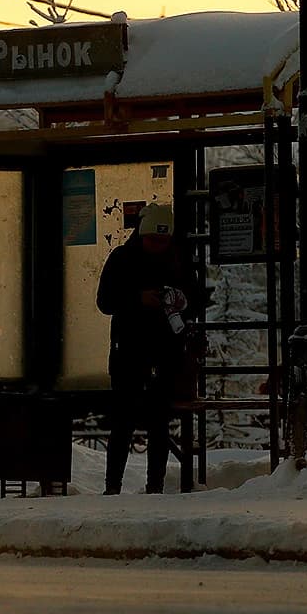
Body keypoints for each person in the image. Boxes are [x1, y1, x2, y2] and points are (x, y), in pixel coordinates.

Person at [96, 202, 191, 495]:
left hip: (159, 351)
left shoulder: (175, 260)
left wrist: (180, 301)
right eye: (153, 240)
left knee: (157, 422)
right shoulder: (124, 259)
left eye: (162, 241)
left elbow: (196, 297)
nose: (158, 246)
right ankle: (115, 487)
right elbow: (105, 301)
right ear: (142, 234)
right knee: (125, 421)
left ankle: (154, 486)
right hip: (132, 350)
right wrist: (138, 299)